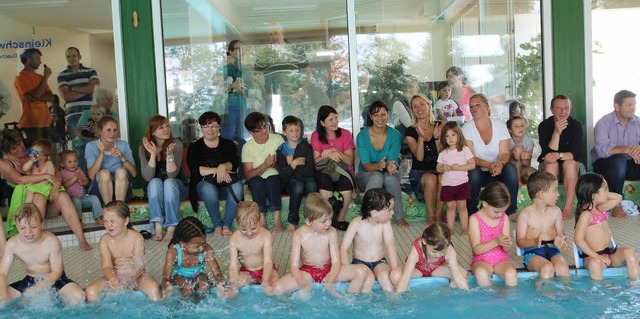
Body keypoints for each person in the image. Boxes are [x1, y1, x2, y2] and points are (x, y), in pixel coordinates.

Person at [0, 130, 91, 250]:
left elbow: (56, 173)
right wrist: (46, 176)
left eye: (20, 143)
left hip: (47, 196)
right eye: (14, 148)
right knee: (40, 197)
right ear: (8, 150)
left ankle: (82, 240)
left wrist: (55, 188)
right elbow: (19, 180)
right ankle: (34, 243)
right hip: (27, 203)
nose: (20, 148)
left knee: (63, 197)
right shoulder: (4, 163)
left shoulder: (33, 153)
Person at [271, 193, 374, 295]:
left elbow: (336, 262)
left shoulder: (331, 232)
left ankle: (351, 298)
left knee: (361, 272)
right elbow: (294, 266)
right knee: (277, 288)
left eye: (330, 218)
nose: (329, 223)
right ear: (308, 221)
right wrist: (304, 284)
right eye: (324, 221)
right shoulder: (299, 235)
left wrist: (330, 281)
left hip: (330, 269)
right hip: (308, 272)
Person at [0, 203, 85, 304]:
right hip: (30, 280)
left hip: (55, 279)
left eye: (33, 226)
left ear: (42, 224)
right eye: (22, 228)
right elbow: (2, 273)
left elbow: (57, 272)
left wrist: (39, 287)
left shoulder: (51, 241)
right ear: (17, 226)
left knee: (78, 297)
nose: (28, 232)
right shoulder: (12, 244)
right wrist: (3, 292)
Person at [85, 201, 161, 302]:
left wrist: (130, 280)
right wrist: (112, 278)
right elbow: (107, 266)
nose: (108, 225)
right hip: (115, 276)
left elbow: (139, 265)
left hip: (137, 277)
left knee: (154, 289)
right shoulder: (105, 240)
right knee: (91, 291)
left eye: (112, 221)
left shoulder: (136, 237)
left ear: (125, 221)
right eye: (105, 221)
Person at [462, 93, 519, 220]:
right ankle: (472, 212)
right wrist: (488, 165)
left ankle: (510, 211)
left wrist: (499, 164)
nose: (474, 109)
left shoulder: (500, 126)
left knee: (510, 169)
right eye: (471, 107)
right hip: (478, 171)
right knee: (473, 172)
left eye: (477, 105)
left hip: (497, 170)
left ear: (487, 107)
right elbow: (470, 157)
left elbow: (505, 153)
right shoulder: (467, 128)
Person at [574, 173, 639, 281]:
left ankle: (634, 285)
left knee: (630, 252)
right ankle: (602, 290)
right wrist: (597, 257)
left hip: (610, 254)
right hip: (593, 257)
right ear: (594, 195)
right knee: (594, 264)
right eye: (605, 189)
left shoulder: (601, 209)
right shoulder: (586, 215)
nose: (608, 192)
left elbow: (618, 198)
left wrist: (602, 194)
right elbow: (578, 240)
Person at [187, 112, 242, 236]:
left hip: (225, 183)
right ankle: (217, 225)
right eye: (206, 126)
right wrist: (217, 170)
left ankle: (227, 225)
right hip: (204, 184)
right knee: (208, 188)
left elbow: (233, 163)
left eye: (214, 126)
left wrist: (223, 166)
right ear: (201, 128)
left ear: (219, 127)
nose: (210, 129)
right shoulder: (195, 147)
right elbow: (196, 170)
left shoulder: (228, 144)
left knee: (238, 187)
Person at [356, 101, 407, 228]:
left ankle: (399, 216)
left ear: (388, 115)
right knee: (377, 176)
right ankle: (366, 214)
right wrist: (378, 166)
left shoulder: (395, 135)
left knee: (390, 177)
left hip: (386, 174)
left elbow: (391, 161)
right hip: (366, 175)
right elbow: (366, 165)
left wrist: (390, 166)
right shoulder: (362, 136)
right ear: (371, 116)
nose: (380, 118)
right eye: (376, 115)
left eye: (383, 114)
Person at [591, 89, 640, 219]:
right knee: (618, 160)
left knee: (626, 160)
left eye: (634, 104)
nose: (633, 108)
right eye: (629, 105)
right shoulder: (603, 123)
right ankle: (616, 205)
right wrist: (626, 149)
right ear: (617, 106)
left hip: (630, 164)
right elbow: (601, 150)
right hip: (605, 165)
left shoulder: (638, 122)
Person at [340, 188, 400, 292]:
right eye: (389, 209)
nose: (393, 212)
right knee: (369, 280)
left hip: (380, 262)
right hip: (360, 263)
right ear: (374, 213)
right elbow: (343, 247)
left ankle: (393, 303)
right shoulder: (356, 223)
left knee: (384, 276)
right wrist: (347, 269)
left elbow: (391, 244)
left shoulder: (385, 223)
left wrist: (395, 270)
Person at [255, 22, 312, 128]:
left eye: (276, 33)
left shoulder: (296, 50)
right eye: (270, 34)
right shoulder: (263, 53)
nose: (274, 37)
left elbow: (308, 73)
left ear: (283, 33)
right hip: (272, 100)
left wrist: (301, 91)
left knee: (294, 130)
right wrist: (264, 94)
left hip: (293, 98)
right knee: (274, 130)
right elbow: (256, 77)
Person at [141, 115, 188, 242]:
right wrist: (152, 154)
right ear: (152, 132)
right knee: (155, 182)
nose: (166, 129)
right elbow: (147, 177)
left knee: (168, 182)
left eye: (167, 126)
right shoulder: (144, 147)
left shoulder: (176, 144)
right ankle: (158, 227)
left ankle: (172, 227)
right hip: (156, 188)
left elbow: (172, 174)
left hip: (176, 187)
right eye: (161, 127)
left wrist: (170, 155)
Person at [515, 171, 570, 279]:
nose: (558, 194)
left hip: (553, 251)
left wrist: (561, 239)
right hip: (533, 253)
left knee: (563, 268)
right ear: (541, 194)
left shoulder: (556, 211)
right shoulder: (525, 214)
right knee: (547, 268)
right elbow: (520, 241)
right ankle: (543, 295)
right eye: (555, 190)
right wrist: (534, 241)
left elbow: (561, 233)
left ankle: (566, 295)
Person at [538, 95, 583, 220]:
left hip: (572, 167)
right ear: (552, 110)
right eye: (559, 108)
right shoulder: (544, 125)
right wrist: (557, 132)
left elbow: (576, 154)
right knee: (552, 164)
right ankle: (550, 206)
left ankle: (567, 207)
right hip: (549, 166)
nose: (563, 112)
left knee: (570, 163)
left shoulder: (576, 125)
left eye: (566, 108)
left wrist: (559, 155)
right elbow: (548, 153)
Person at [311, 105, 356, 229]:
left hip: (343, 170)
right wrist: (327, 154)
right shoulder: (316, 135)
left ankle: (340, 218)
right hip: (325, 171)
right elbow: (316, 161)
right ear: (322, 122)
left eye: (336, 118)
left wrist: (336, 152)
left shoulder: (345, 134)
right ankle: (327, 219)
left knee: (346, 183)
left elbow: (349, 160)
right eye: (330, 120)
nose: (335, 122)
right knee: (324, 181)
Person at [391, 222, 469, 292]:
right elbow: (405, 277)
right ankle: (408, 294)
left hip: (437, 269)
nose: (438, 255)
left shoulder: (449, 250)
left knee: (463, 274)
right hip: (417, 270)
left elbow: (458, 276)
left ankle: (447, 291)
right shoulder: (416, 250)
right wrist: (398, 300)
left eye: (442, 252)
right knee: (395, 276)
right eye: (434, 252)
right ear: (424, 241)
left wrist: (468, 296)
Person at [161, 217, 226, 298]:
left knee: (204, 285)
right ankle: (185, 308)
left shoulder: (206, 249)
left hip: (197, 275)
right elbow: (166, 278)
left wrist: (221, 284)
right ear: (182, 244)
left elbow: (217, 273)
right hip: (178, 277)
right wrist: (167, 287)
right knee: (187, 286)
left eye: (204, 243)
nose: (202, 248)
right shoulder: (174, 251)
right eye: (197, 246)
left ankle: (201, 307)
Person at [468, 181, 517, 287]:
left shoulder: (504, 218)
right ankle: (490, 299)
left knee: (511, 273)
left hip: (501, 258)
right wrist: (496, 241)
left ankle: (508, 301)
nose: (500, 215)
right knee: (481, 273)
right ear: (485, 204)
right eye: (496, 211)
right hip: (481, 259)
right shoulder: (475, 219)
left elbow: (506, 250)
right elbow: (476, 249)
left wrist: (507, 245)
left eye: (503, 211)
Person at [242, 112, 284, 232]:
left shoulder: (278, 139)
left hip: (276, 178)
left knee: (272, 179)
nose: (264, 131)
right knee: (256, 182)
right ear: (251, 133)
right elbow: (248, 175)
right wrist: (265, 165)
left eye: (265, 127)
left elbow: (286, 167)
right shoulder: (248, 147)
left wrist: (276, 164)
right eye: (259, 130)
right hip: (257, 179)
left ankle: (277, 219)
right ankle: (262, 218)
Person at [405, 94, 444, 226]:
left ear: (429, 106)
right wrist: (421, 137)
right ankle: (430, 215)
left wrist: (437, 139)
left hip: (439, 168)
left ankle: (438, 214)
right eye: (414, 106)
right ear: (412, 111)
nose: (419, 108)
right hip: (419, 172)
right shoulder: (410, 131)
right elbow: (419, 157)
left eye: (422, 104)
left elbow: (443, 156)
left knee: (444, 178)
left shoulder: (440, 126)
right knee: (431, 178)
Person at [227, 201, 279, 297]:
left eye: (253, 228)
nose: (249, 233)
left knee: (276, 286)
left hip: (265, 269)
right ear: (236, 221)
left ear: (260, 219)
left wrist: (266, 281)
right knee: (232, 289)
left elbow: (268, 262)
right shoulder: (234, 239)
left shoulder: (265, 235)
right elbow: (233, 266)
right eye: (244, 229)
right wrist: (234, 283)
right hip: (247, 272)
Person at [276, 116, 317, 233]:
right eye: (291, 130)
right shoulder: (281, 150)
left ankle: (313, 219)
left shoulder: (306, 147)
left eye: (297, 130)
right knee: (298, 185)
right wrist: (294, 164)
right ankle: (292, 221)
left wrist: (292, 167)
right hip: (289, 184)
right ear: (284, 132)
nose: (295, 133)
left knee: (311, 184)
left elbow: (310, 171)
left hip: (305, 179)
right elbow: (283, 175)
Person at [86, 116, 136, 204]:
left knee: (121, 171)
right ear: (100, 131)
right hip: (100, 190)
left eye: (115, 130)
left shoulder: (123, 145)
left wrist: (122, 157)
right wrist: (101, 154)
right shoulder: (91, 146)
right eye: (108, 130)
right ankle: (108, 208)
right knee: (104, 173)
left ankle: (119, 207)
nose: (112, 133)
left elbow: (134, 173)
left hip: (122, 189)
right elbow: (91, 175)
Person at [436, 121, 475, 235]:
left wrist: (460, 167)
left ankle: (464, 228)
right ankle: (450, 228)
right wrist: (443, 167)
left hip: (462, 184)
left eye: (453, 135)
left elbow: (472, 164)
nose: (450, 138)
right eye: (447, 136)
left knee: (462, 206)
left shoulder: (464, 150)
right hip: (448, 185)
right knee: (450, 206)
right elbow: (438, 168)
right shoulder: (443, 153)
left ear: (459, 135)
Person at [57, 47, 100, 140]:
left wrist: (73, 89)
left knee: (94, 140)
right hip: (73, 113)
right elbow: (66, 96)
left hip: (91, 112)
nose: (71, 59)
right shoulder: (62, 75)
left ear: (79, 57)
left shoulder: (90, 71)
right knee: (78, 142)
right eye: (68, 56)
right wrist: (87, 90)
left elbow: (95, 88)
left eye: (73, 56)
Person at [14, 48, 54, 145]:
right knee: (36, 155)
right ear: (28, 59)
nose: (40, 62)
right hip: (31, 124)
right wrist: (46, 77)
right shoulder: (21, 77)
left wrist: (36, 96)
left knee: (49, 154)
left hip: (47, 122)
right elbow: (37, 94)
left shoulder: (39, 77)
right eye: (37, 58)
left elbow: (51, 97)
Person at [74, 88, 118, 172]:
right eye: (108, 99)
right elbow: (78, 131)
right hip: (85, 144)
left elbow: (118, 132)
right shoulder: (88, 113)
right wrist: (91, 139)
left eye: (112, 98)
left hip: (108, 145)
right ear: (98, 100)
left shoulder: (114, 115)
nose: (111, 101)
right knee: (84, 153)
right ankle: (86, 182)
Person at [59, 150, 103, 224]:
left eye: (75, 161)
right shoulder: (63, 173)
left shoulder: (78, 170)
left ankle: (98, 217)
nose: (73, 164)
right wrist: (75, 178)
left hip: (82, 198)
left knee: (94, 198)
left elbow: (86, 181)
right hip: (71, 199)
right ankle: (78, 220)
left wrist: (83, 181)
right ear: (63, 164)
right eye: (70, 162)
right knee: (77, 201)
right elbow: (65, 185)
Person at [221, 40, 247, 143]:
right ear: (230, 52)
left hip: (244, 105)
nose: (242, 52)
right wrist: (232, 85)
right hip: (229, 105)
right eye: (238, 49)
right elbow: (219, 87)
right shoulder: (225, 68)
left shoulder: (244, 68)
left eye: (243, 49)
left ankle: (243, 159)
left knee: (244, 136)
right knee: (228, 136)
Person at [22, 139, 57, 205]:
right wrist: (31, 161)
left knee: (31, 190)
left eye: (35, 153)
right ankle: (26, 208)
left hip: (44, 186)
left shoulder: (48, 164)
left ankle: (28, 207)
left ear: (43, 157)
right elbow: (24, 169)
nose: (32, 154)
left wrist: (39, 182)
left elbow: (51, 177)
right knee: (29, 192)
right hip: (33, 186)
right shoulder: (32, 163)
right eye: (31, 151)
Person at [507, 116, 537, 185]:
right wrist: (516, 153)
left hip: (522, 169)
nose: (520, 128)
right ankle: (517, 180)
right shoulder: (507, 140)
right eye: (516, 126)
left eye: (522, 125)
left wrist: (524, 159)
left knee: (534, 174)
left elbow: (527, 164)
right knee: (518, 149)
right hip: (508, 169)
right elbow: (504, 159)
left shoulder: (529, 141)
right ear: (510, 130)